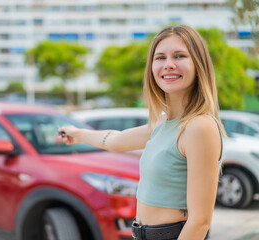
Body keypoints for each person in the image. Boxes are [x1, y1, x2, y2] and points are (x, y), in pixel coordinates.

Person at [58, 24, 225, 240]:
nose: (169, 65)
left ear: (198, 65)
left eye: (180, 56)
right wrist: (77, 133)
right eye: (160, 57)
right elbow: (115, 140)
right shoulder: (164, 125)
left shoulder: (199, 126)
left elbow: (200, 221)